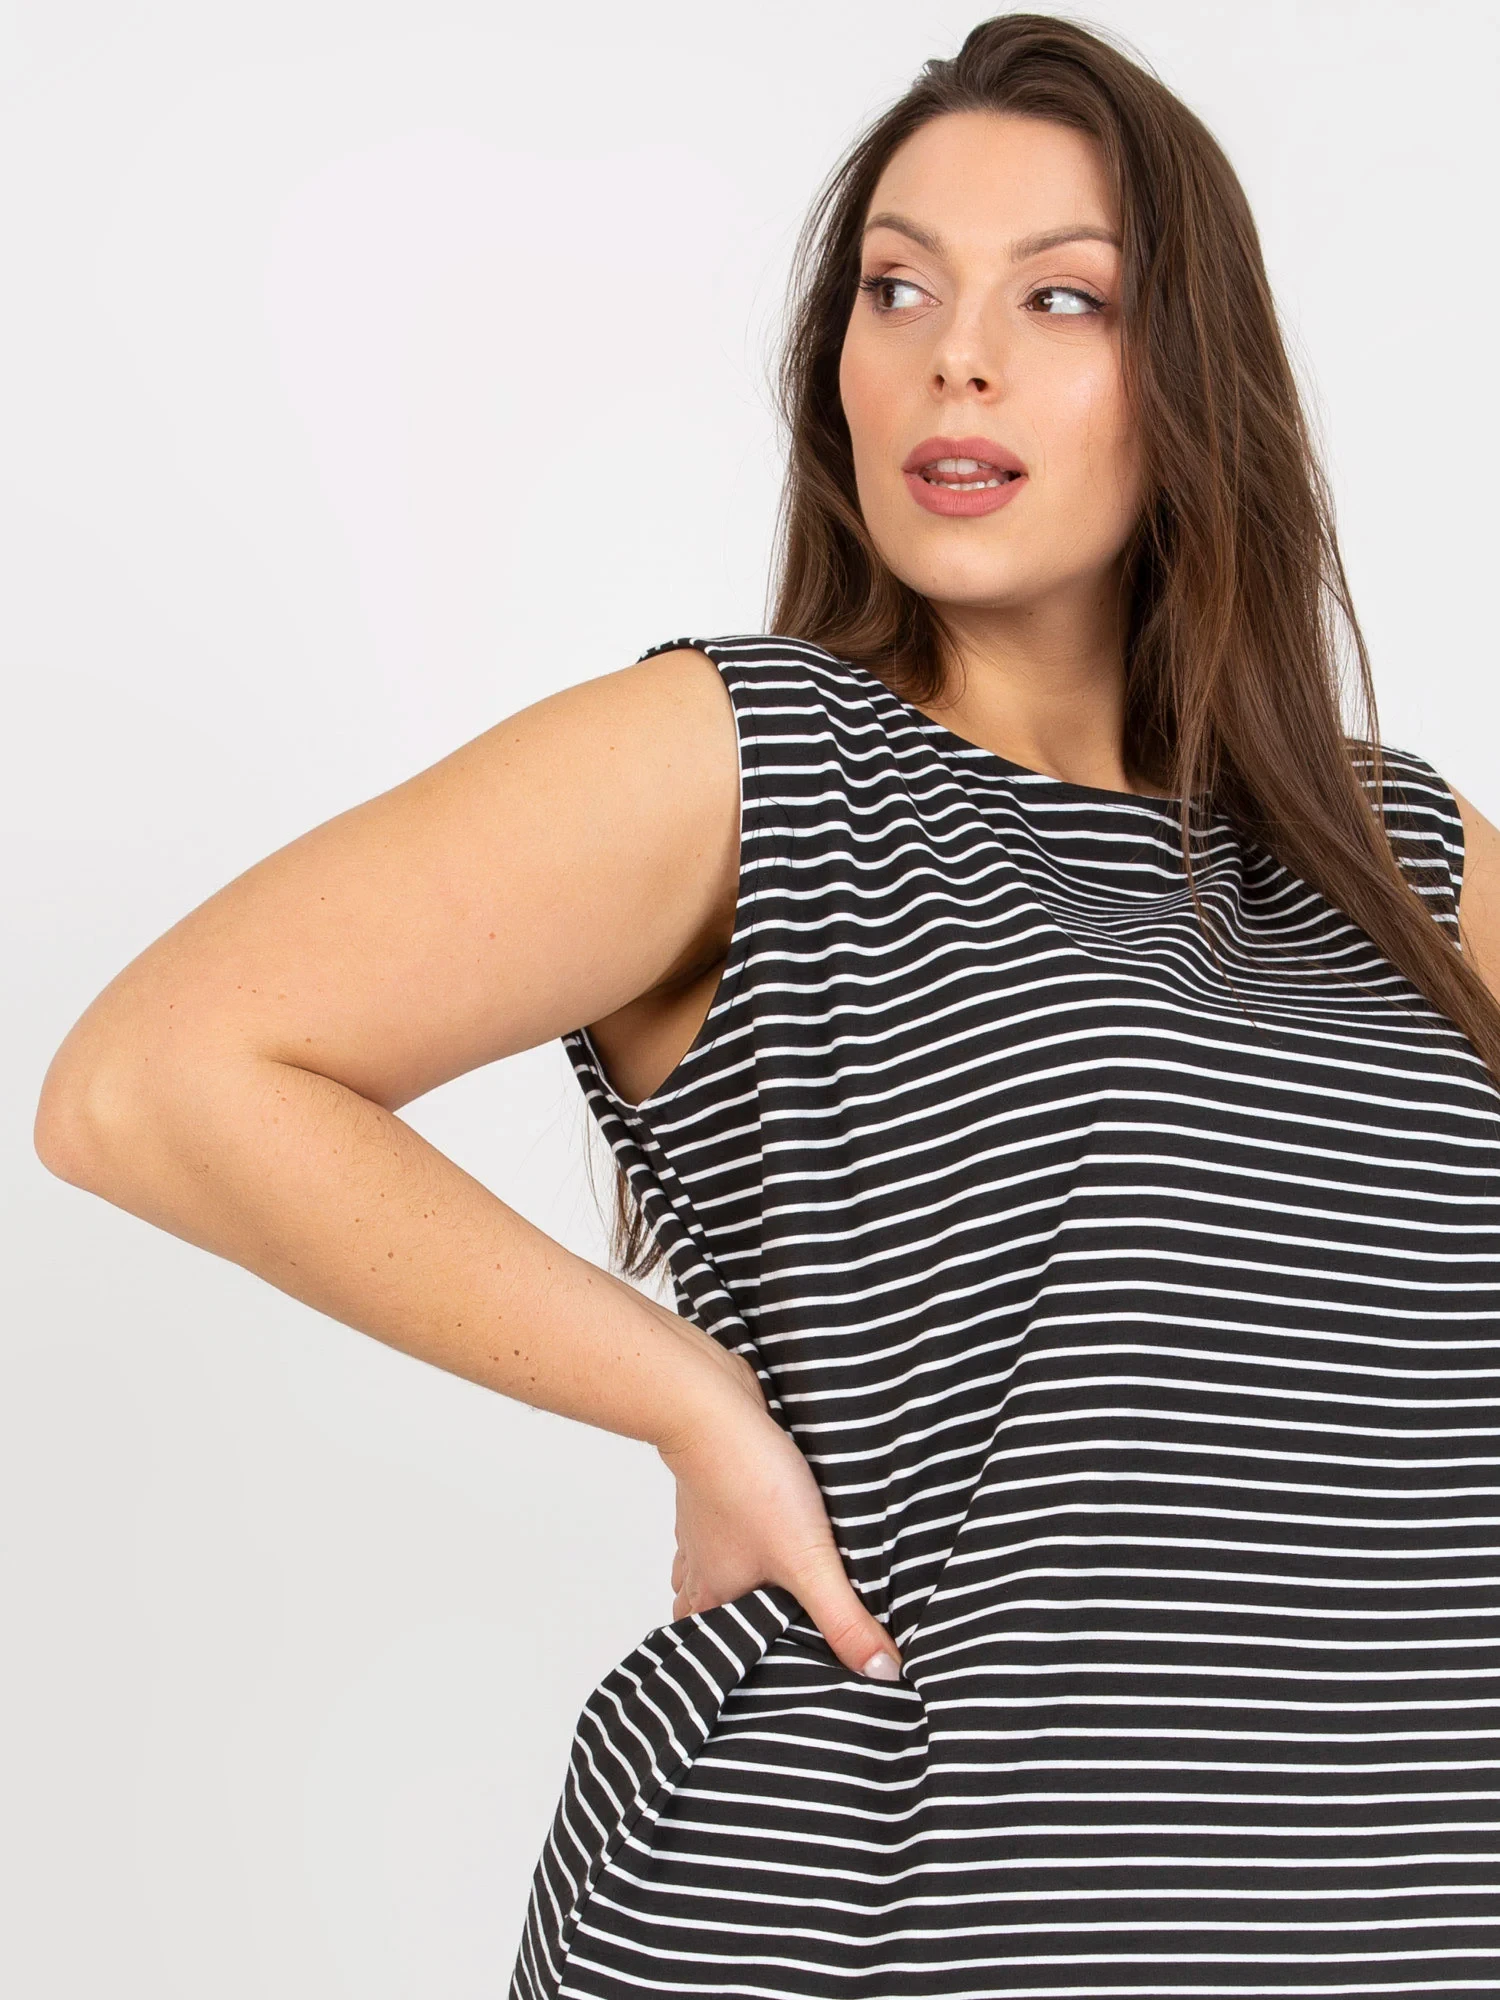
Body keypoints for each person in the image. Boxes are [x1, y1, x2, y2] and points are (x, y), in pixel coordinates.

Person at [34, 11, 1500, 1997]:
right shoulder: (758, 759)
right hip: (885, 1918)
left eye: (1061, 297)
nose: (955, 355)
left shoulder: (1400, 851)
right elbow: (151, 1079)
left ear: (1198, 377)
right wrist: (686, 1396)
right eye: (898, 287)